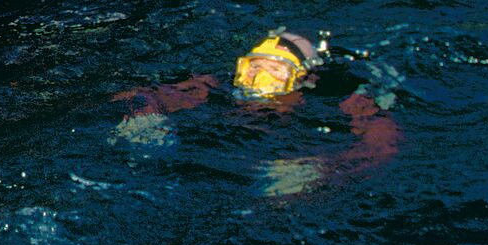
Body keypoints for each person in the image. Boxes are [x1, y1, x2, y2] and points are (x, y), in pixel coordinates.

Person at [112, 31, 401, 195]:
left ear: (304, 78)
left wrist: (325, 169)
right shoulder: (219, 87)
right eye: (253, 67)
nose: (258, 78)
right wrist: (146, 116)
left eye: (275, 70)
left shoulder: (334, 99)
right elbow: (146, 92)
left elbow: (384, 143)